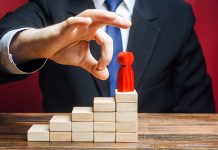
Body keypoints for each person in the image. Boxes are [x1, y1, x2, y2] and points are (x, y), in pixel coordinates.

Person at [0, 0, 215, 113]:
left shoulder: (177, 14)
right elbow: (5, 39)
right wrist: (36, 44)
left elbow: (197, 111)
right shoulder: (51, 4)